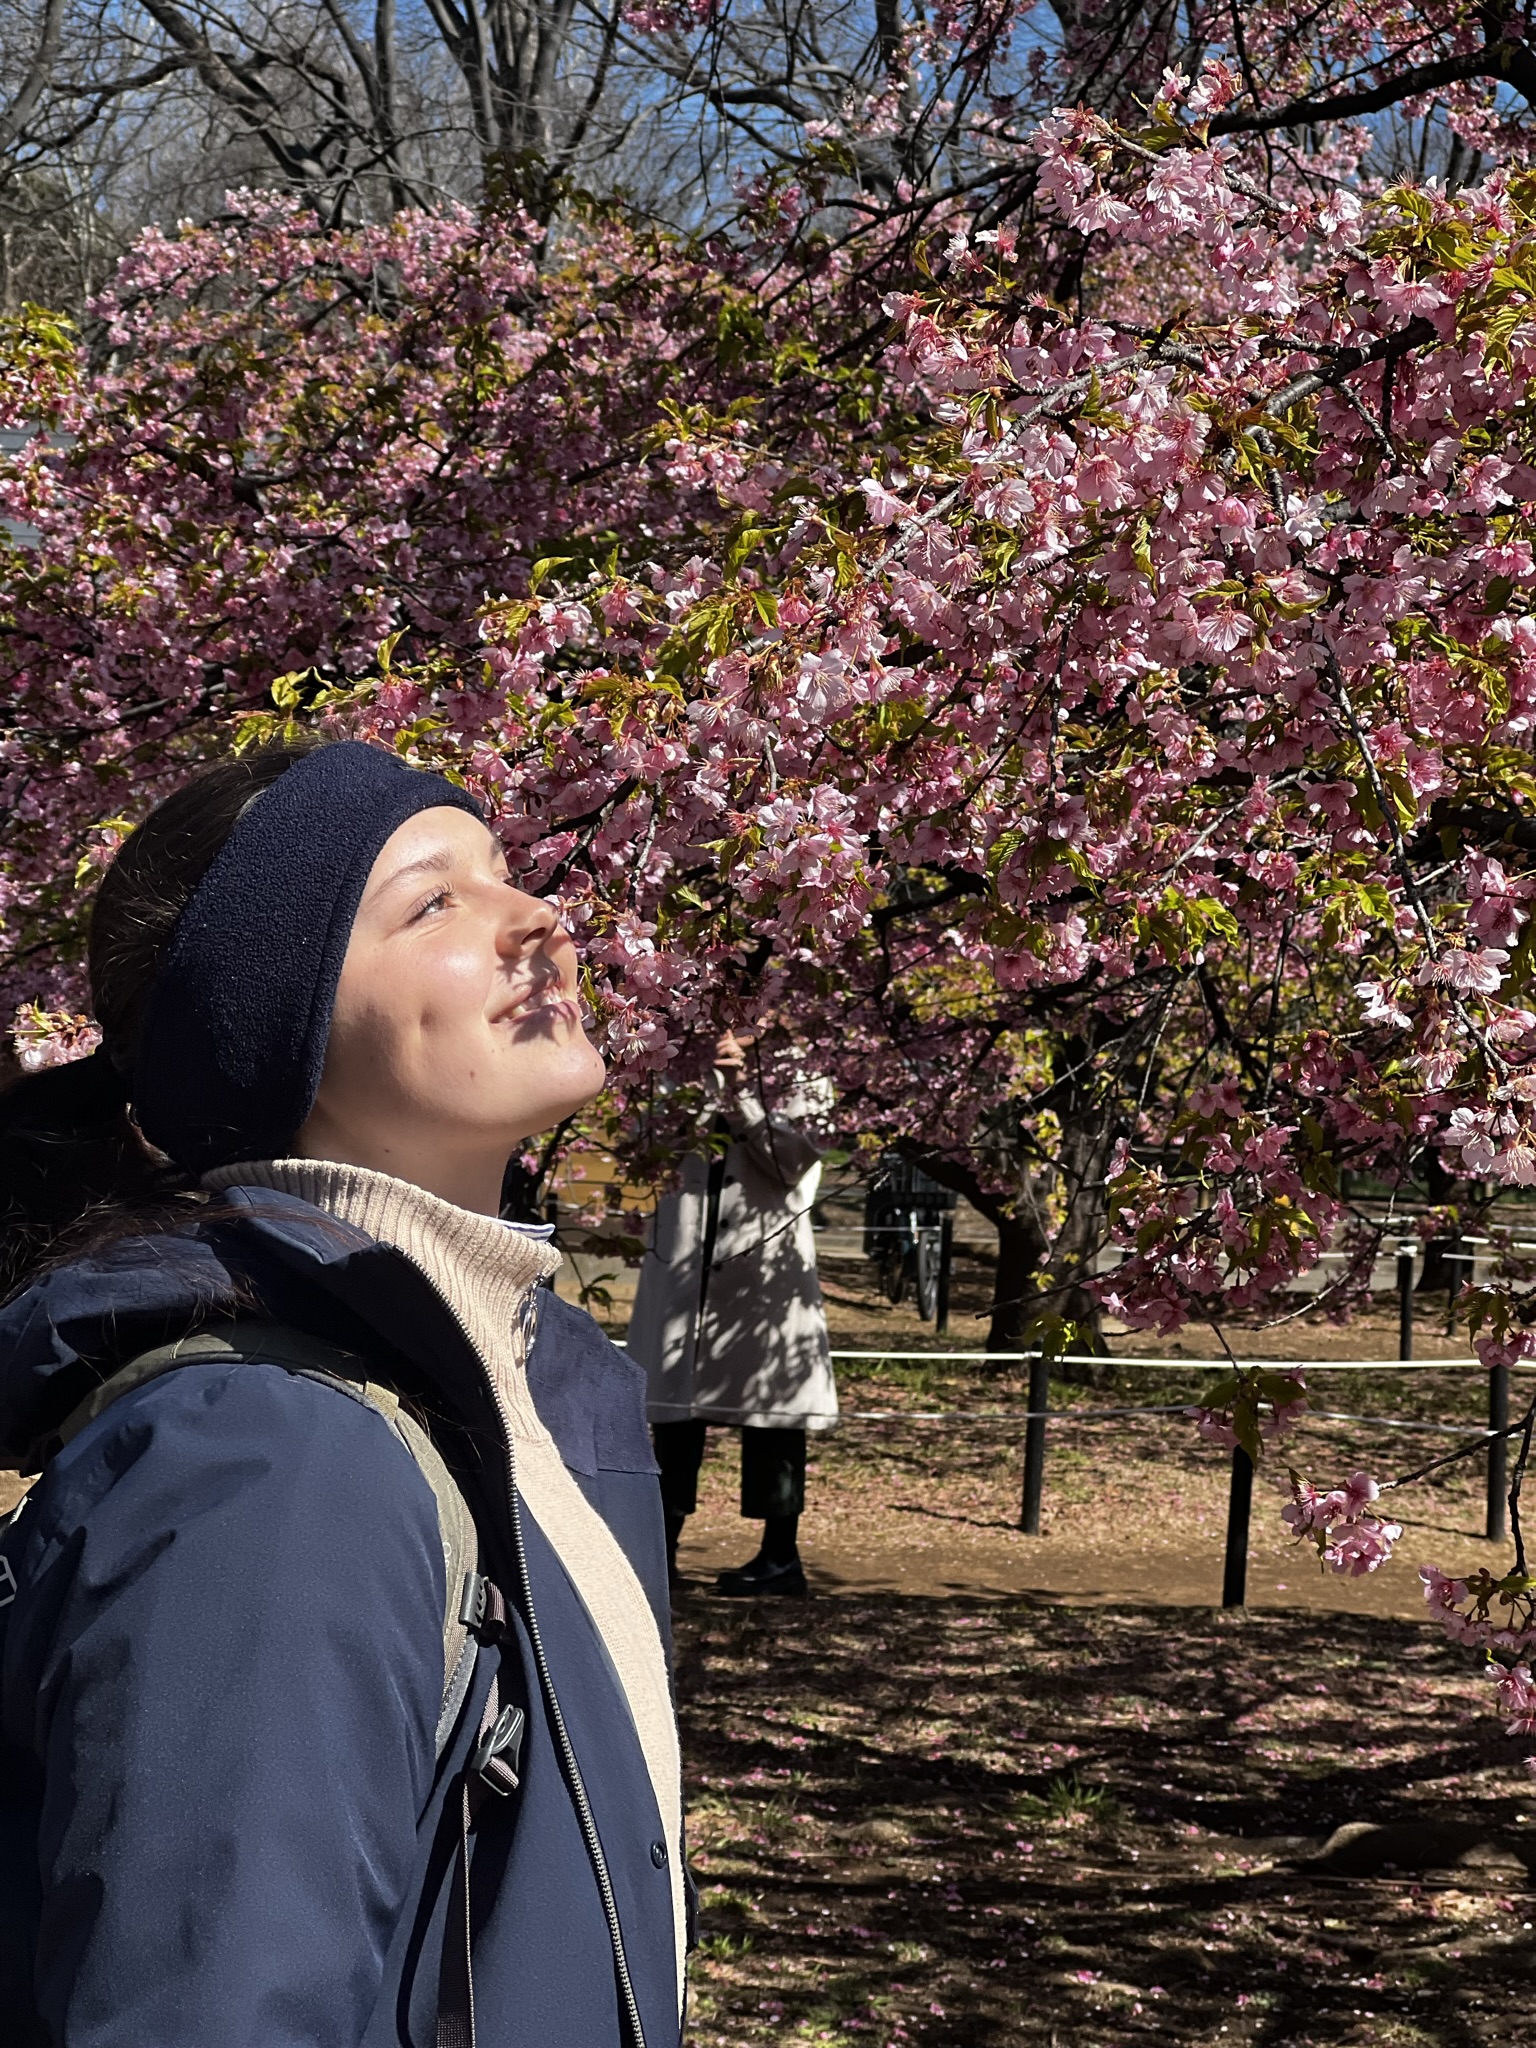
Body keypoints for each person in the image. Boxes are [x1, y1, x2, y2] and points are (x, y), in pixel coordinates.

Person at [0, 740, 685, 2048]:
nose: (539, 920)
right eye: (435, 901)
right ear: (278, 1029)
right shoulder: (267, 1457)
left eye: (508, 875)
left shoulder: (540, 1397)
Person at [628, 1028, 838, 1597]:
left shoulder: (804, 1063)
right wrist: (699, 1089)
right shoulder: (672, 1051)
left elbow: (794, 1161)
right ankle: (661, 1550)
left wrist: (742, 1094)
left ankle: (778, 1556)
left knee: (774, 1416)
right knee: (674, 1413)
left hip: (764, 1271)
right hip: (685, 1262)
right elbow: (643, 1145)